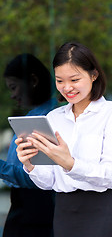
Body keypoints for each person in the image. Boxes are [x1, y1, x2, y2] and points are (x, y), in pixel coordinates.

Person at [16, 42, 112, 237]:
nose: (67, 87)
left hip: (102, 208)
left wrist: (70, 164)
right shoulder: (53, 118)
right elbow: (49, 181)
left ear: (94, 75)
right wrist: (30, 164)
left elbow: (111, 174)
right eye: (60, 80)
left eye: (74, 79)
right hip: (64, 210)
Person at [1, 53, 57, 237]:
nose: (12, 95)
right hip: (29, 211)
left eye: (14, 87)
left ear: (33, 81)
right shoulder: (34, 116)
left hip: (35, 214)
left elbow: (35, 178)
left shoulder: (46, 118)